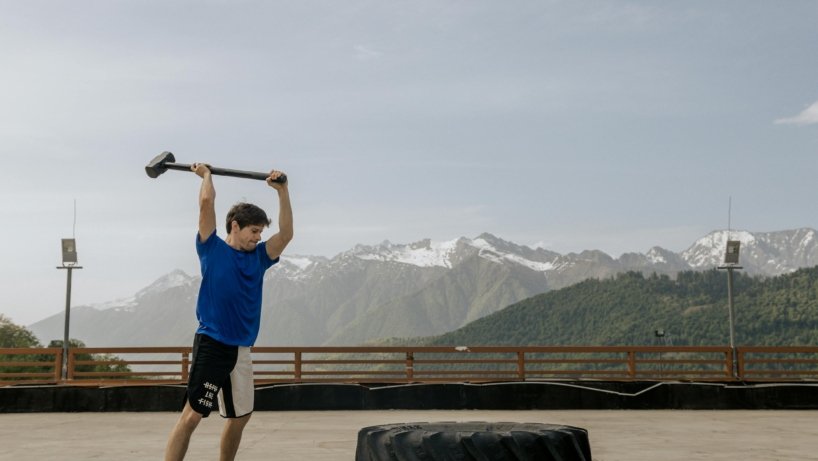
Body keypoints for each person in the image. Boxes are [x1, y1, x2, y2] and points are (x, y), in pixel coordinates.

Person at [165, 163, 293, 461]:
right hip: (212, 344)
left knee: (240, 417)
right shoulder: (211, 248)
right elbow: (207, 203)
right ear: (235, 226)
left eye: (261, 232)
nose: (259, 237)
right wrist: (207, 176)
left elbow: (286, 235)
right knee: (192, 417)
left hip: (242, 349)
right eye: (254, 231)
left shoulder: (260, 258)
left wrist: (283, 192)